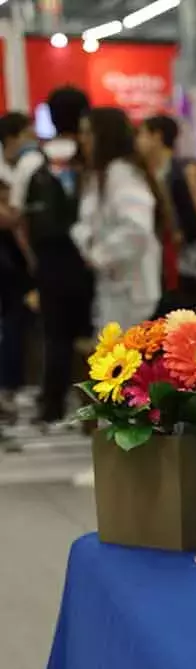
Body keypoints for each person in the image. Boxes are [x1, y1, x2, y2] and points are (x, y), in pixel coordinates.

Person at [12, 87, 94, 427]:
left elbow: (20, 217)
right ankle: (96, 407)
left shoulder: (33, 161)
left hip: (49, 259)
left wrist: (33, 258)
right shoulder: (91, 156)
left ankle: (52, 406)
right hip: (91, 258)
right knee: (95, 332)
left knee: (55, 335)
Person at [71, 107, 167, 330]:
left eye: (88, 133)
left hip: (128, 293)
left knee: (122, 361)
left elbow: (136, 230)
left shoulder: (120, 174)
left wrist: (98, 253)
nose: (83, 140)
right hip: (115, 288)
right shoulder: (101, 175)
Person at [138, 114, 196, 315]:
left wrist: (177, 237)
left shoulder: (180, 172)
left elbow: (193, 221)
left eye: (142, 134)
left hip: (180, 266)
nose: (138, 141)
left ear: (157, 137)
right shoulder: (148, 172)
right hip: (159, 266)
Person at [0, 112, 37, 423]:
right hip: (6, 257)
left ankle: (10, 387)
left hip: (15, 257)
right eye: (27, 133)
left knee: (16, 320)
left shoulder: (19, 168)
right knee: (11, 321)